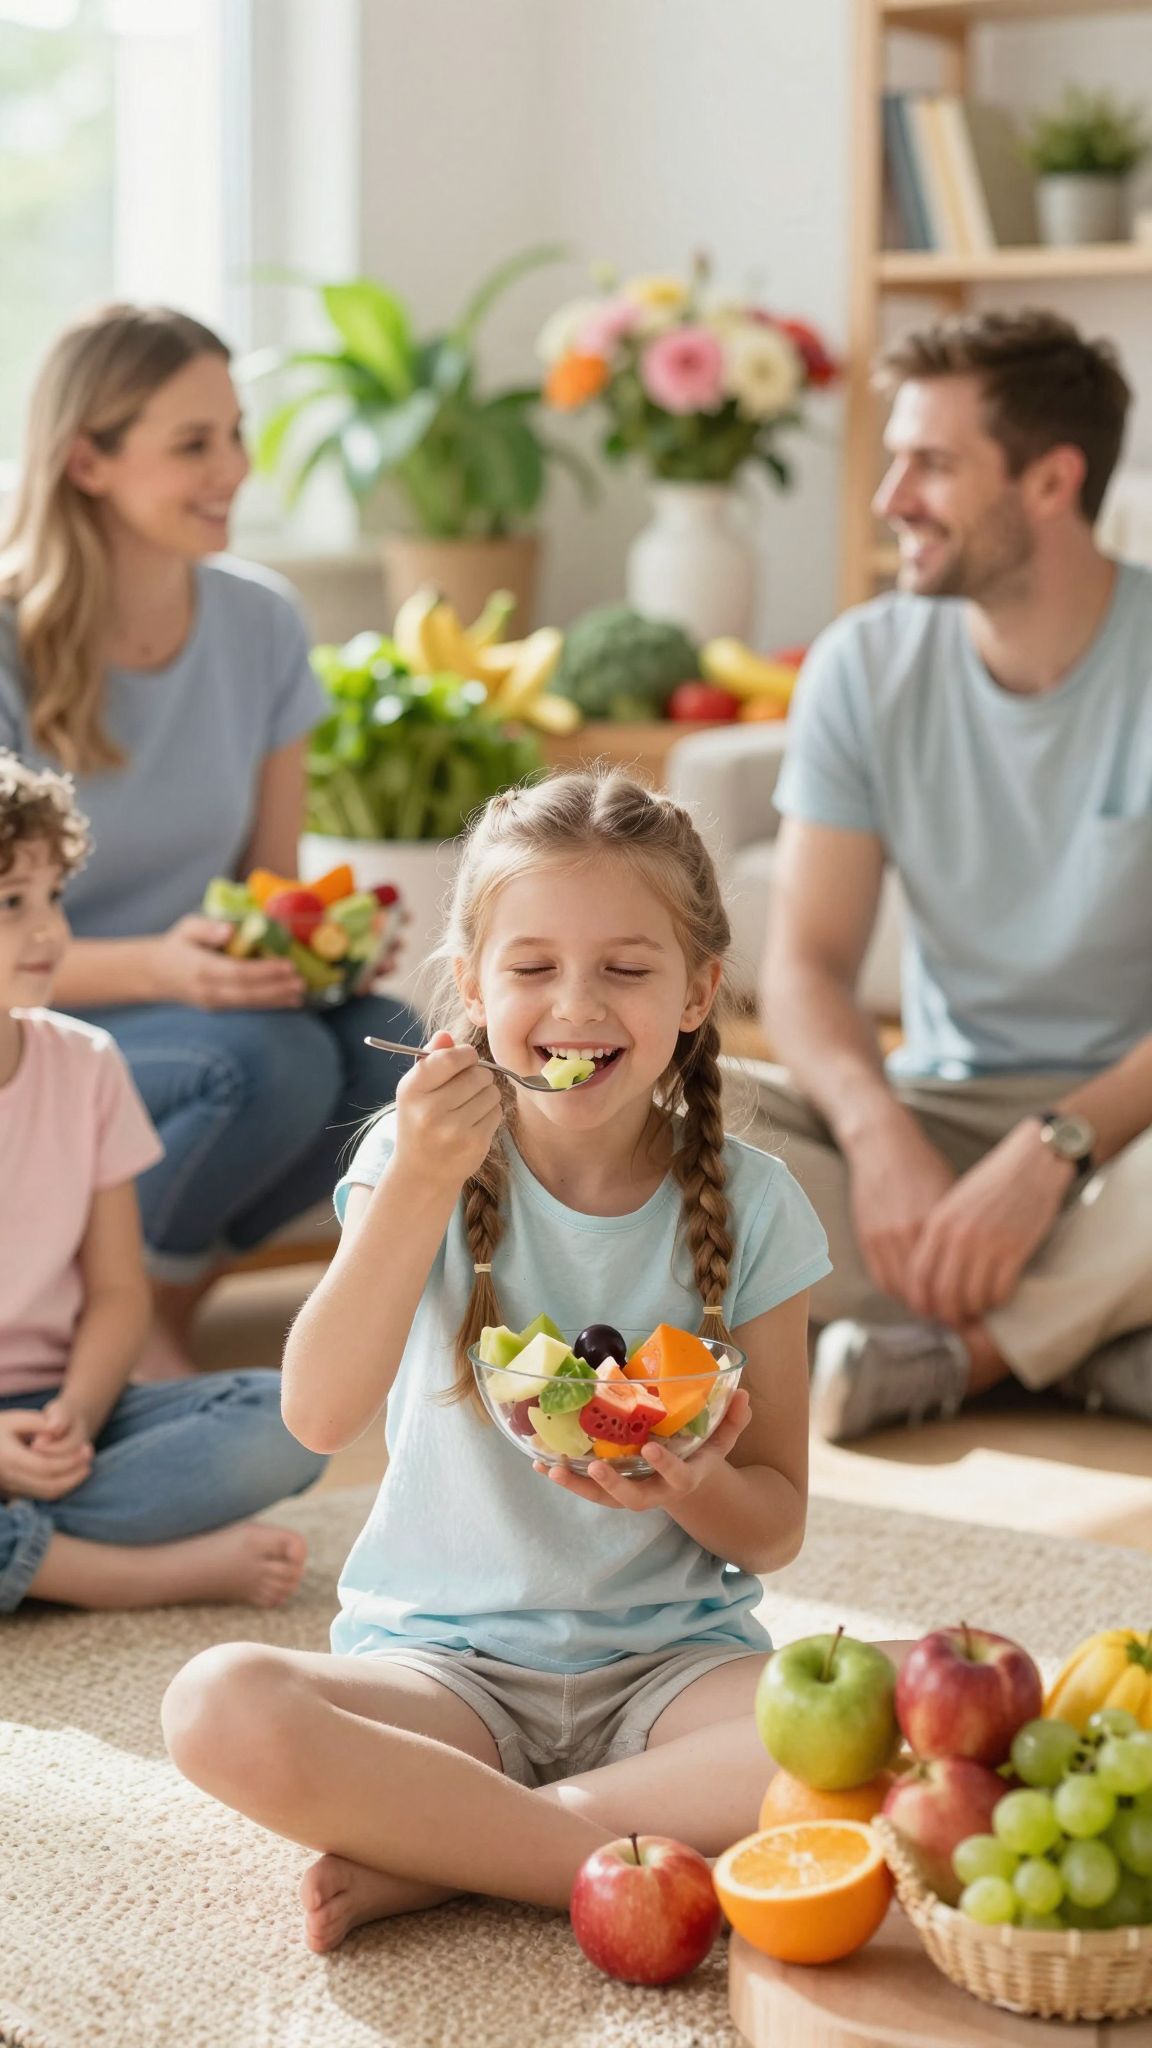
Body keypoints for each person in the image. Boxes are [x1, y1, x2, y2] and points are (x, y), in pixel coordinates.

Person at [160, 769, 834, 1953]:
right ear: (469, 989)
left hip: (673, 1672)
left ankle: (456, 1848)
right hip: (443, 1674)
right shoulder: (411, 1157)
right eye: (532, 969)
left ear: (698, 992)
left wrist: (690, 1480)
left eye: (627, 969)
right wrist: (418, 1176)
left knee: (897, 1717)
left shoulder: (759, 1200)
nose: (576, 1005)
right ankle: (574, 1847)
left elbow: (772, 1525)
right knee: (216, 1702)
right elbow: (318, 1415)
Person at [753, 308, 1152, 1442]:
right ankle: (1094, 1337)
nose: (890, 499)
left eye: (930, 462)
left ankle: (971, 1356)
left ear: (1050, 480)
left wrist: (1057, 1146)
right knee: (664, 1112)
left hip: (1130, 1136)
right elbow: (807, 964)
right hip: (934, 1123)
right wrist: (879, 1136)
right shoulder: (862, 663)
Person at [0, 303, 416, 1371]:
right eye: (194, 443)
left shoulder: (262, 621)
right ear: (87, 460)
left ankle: (154, 1290)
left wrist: (326, 941)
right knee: (266, 1064)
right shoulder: (8, 647)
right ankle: (133, 1315)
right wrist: (163, 966)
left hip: (194, 995)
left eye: (235, 432)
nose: (234, 466)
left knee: (401, 1057)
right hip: (38, 1007)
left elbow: (266, 889)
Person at [0, 751, 327, 1612]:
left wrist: (76, 1409)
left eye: (52, 898)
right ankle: (106, 1573)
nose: (45, 931)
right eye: (10, 904)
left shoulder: (86, 1063)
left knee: (287, 1421)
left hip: (61, 1401)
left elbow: (116, 1292)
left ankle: (25, 1543)